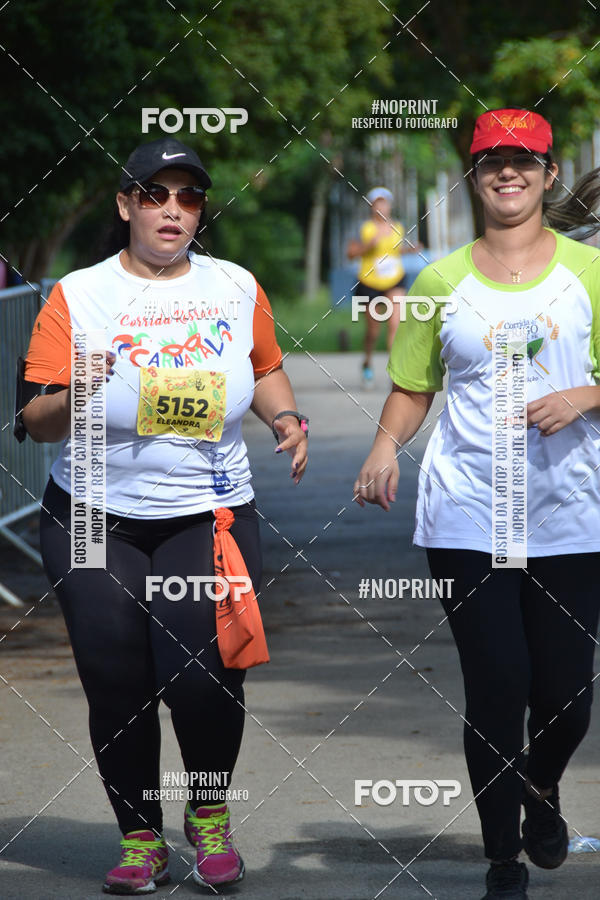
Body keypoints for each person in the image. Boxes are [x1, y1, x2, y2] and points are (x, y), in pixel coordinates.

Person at [19, 137, 309, 894]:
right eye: (155, 195)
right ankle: (139, 837)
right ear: (126, 206)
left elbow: (265, 367)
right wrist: (80, 388)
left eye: (187, 197)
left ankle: (209, 815)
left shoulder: (235, 285)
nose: (172, 210)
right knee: (114, 678)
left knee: (201, 678)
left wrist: (285, 419)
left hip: (204, 512)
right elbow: (38, 419)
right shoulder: (79, 295)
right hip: (90, 513)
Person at [354, 109, 600, 899]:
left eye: (524, 160)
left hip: (570, 515)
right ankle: (501, 860)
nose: (508, 172)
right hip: (467, 513)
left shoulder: (591, 274)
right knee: (498, 682)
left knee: (566, 697)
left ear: (548, 173)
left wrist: (584, 394)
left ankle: (543, 788)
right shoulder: (438, 281)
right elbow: (412, 385)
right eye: (493, 159)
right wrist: (385, 446)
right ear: (474, 172)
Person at [346, 186, 419, 388]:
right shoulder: (363, 228)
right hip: (369, 282)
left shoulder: (398, 227)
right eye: (377, 203)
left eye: (384, 203)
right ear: (371, 206)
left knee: (395, 325)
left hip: (395, 279)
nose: (381, 207)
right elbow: (350, 253)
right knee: (373, 331)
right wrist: (367, 246)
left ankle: (395, 372)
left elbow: (394, 251)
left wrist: (410, 250)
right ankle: (367, 362)